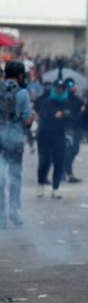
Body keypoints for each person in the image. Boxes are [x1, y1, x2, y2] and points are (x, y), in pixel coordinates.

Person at [0, 61, 34, 228]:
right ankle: (14, 211)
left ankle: (1, 218)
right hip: (15, 141)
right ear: (20, 75)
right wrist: (32, 116)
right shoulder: (23, 93)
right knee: (15, 177)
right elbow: (27, 120)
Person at [34, 79, 73, 199]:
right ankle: (41, 184)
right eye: (58, 88)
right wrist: (56, 115)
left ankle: (55, 188)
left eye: (62, 88)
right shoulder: (46, 101)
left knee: (59, 161)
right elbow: (44, 115)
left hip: (60, 135)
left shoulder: (67, 102)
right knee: (44, 161)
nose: (60, 90)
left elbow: (71, 115)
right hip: (45, 135)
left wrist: (64, 114)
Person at [62, 78, 84, 184]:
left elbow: (81, 104)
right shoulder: (62, 98)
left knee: (73, 150)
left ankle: (66, 172)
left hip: (75, 128)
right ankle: (67, 173)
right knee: (68, 151)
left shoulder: (75, 99)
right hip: (67, 128)